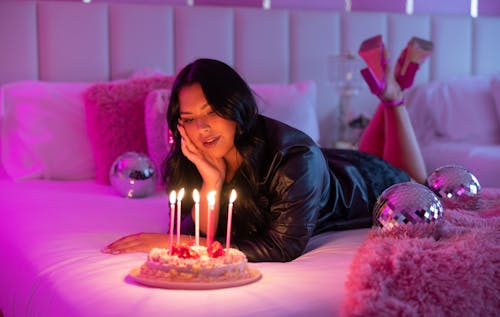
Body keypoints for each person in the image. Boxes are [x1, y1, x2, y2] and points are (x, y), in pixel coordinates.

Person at [102, 58, 427, 262]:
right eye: (188, 118)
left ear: (236, 108)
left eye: (212, 112)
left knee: (415, 180)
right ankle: (388, 101)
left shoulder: (294, 157)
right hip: (329, 165)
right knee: (363, 155)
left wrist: (182, 244)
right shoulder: (193, 157)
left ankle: (393, 99)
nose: (200, 129)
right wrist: (211, 179)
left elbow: (283, 246)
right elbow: (196, 229)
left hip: (365, 185)